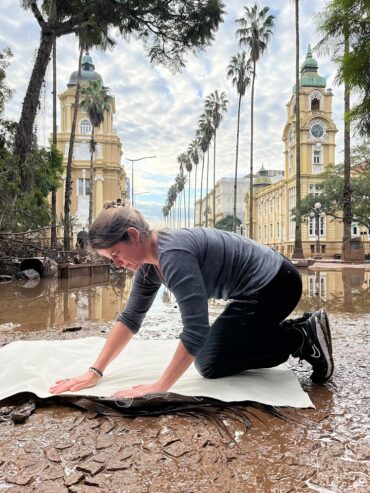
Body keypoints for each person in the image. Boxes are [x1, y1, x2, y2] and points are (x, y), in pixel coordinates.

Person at [49, 205, 334, 397]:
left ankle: (300, 337)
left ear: (133, 236)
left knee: (210, 363)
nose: (118, 264)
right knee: (210, 359)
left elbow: (195, 329)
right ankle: (294, 332)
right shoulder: (149, 266)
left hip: (277, 285)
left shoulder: (174, 256)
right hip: (253, 291)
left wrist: (160, 387)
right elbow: (130, 319)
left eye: (115, 254)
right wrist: (95, 372)